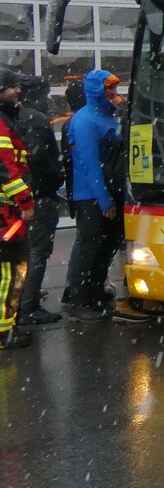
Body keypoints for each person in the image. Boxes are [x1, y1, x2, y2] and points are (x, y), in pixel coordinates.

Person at [61, 70, 149, 324]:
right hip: (92, 196)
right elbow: (88, 163)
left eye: (115, 88)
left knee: (107, 245)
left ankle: (95, 291)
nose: (114, 93)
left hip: (112, 192)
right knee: (89, 246)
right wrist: (103, 199)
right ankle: (79, 300)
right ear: (97, 91)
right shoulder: (85, 120)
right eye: (108, 88)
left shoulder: (111, 116)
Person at [13, 76, 64, 327]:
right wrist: (57, 177)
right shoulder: (34, 119)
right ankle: (28, 306)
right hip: (38, 196)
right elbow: (39, 158)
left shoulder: (13, 118)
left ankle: (21, 299)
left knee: (23, 252)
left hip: (19, 197)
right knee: (37, 252)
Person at [0, 69, 34, 350]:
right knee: (10, 273)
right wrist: (26, 202)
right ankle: (4, 332)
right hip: (6, 216)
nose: (18, 91)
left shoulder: (7, 121)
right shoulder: (1, 125)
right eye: (12, 87)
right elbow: (6, 170)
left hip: (7, 214)